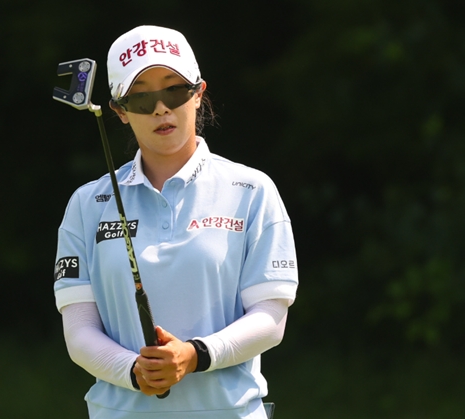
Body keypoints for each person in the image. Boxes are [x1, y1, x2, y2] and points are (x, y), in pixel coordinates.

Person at [54, 25, 298, 419]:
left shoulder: (251, 190)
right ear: (119, 111)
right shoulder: (87, 204)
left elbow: (270, 319)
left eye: (174, 91)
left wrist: (195, 355)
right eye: (141, 97)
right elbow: (80, 331)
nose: (160, 109)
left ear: (198, 94)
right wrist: (136, 371)